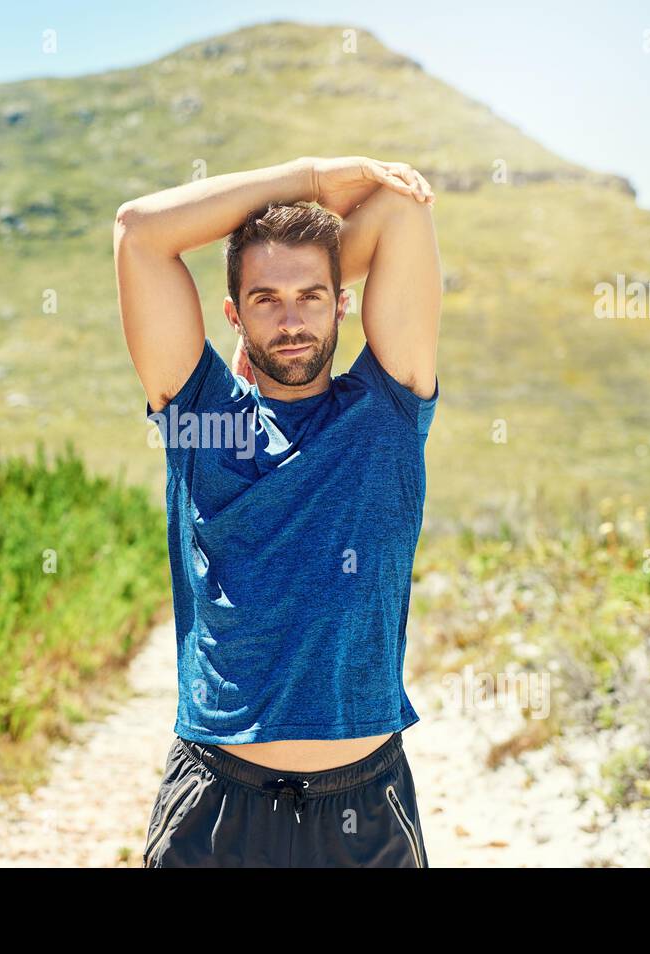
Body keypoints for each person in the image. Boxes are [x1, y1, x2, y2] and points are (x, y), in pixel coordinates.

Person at [114, 155, 441, 867]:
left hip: (365, 807)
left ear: (342, 300)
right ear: (231, 312)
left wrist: (303, 256)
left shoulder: (386, 412)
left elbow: (401, 208)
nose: (291, 320)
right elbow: (139, 233)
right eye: (265, 299)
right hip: (215, 804)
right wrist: (314, 178)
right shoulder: (202, 417)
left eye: (311, 297)